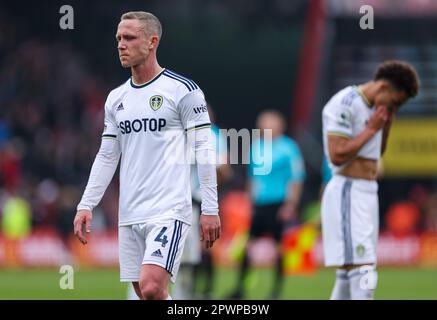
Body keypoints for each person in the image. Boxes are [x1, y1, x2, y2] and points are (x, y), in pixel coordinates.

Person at [73, 11, 221, 300]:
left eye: (129, 38)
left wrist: (210, 209)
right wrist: (86, 204)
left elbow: (204, 150)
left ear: (152, 42)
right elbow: (107, 156)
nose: (121, 44)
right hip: (130, 212)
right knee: (145, 294)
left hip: (168, 210)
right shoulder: (116, 98)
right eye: (118, 38)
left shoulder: (183, 91)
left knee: (152, 287)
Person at [321, 60, 419, 300]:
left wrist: (385, 126)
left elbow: (376, 153)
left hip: (367, 192)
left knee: (348, 272)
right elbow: (337, 153)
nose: (394, 108)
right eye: (395, 102)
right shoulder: (346, 103)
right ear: (384, 87)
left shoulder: (380, 112)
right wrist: (371, 129)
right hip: (348, 190)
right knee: (365, 268)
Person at [228, 110, 305, 300]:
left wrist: (290, 204)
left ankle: (276, 291)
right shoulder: (256, 146)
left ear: (279, 125)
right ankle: (241, 288)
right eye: (262, 123)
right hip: (259, 203)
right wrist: (249, 200)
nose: (264, 126)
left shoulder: (289, 148)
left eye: (268, 123)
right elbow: (252, 177)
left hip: (278, 203)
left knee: (279, 248)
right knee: (247, 247)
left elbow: (296, 178)